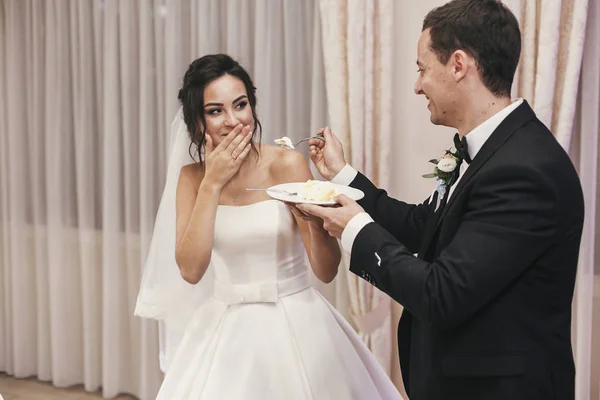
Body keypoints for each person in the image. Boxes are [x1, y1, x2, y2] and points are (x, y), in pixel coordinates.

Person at [297, 1, 585, 399]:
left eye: (421, 68)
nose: (417, 85)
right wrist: (342, 176)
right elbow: (424, 229)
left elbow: (442, 294)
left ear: (458, 65)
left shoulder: (525, 170)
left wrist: (355, 230)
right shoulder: (494, 151)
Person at [134, 54, 403, 399]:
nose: (233, 121)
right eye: (215, 110)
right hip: (225, 327)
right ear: (198, 122)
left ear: (253, 107)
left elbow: (326, 270)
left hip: (296, 319)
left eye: (241, 105)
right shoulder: (192, 179)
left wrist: (313, 219)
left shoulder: (287, 163)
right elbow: (190, 269)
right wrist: (212, 185)